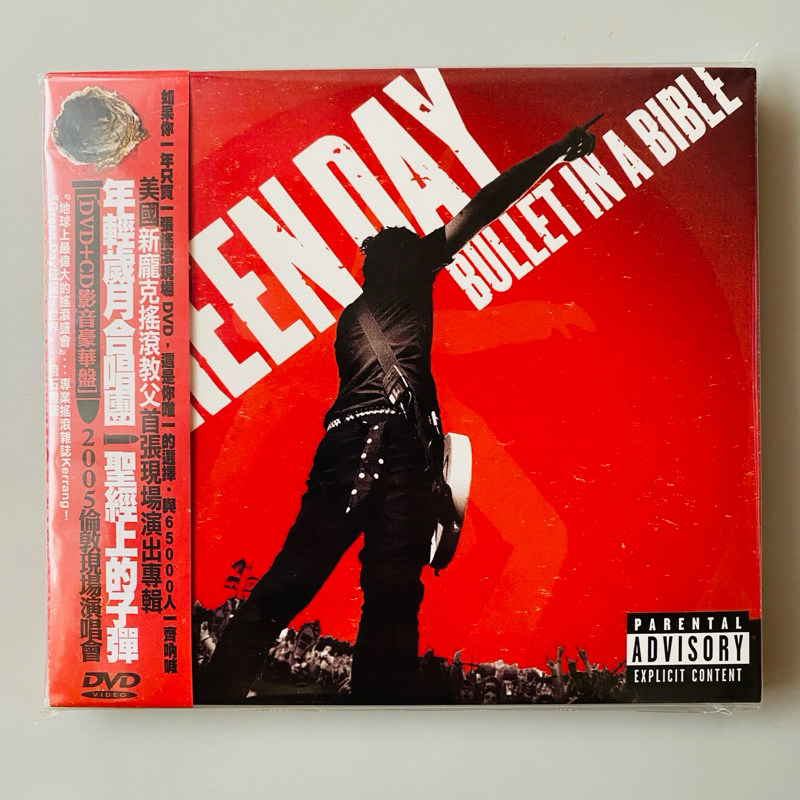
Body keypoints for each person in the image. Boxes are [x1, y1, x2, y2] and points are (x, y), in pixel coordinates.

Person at [196, 122, 596, 704]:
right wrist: (556, 149)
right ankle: (380, 712)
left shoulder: (353, 318)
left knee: (293, 576)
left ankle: (217, 692)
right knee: (392, 597)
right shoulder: (410, 279)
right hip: (395, 450)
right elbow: (487, 203)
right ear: (410, 259)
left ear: (368, 267)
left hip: (342, 448)